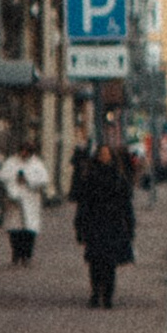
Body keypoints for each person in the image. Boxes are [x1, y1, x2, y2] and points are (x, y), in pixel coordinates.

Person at [71, 132, 135, 308]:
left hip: (112, 224)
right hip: (94, 224)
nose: (104, 157)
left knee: (110, 263)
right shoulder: (90, 178)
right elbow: (83, 204)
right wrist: (80, 227)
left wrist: (130, 227)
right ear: (97, 157)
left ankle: (107, 295)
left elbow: (126, 205)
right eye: (101, 154)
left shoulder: (118, 178)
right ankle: (95, 292)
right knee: (95, 262)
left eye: (107, 154)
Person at [0, 142, 49, 269]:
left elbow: (43, 180)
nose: (24, 154)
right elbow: (3, 176)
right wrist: (14, 180)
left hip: (30, 200)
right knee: (15, 230)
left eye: (27, 151)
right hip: (14, 200)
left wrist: (28, 180)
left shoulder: (36, 164)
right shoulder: (11, 162)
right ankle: (16, 254)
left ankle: (27, 255)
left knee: (29, 230)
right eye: (22, 151)